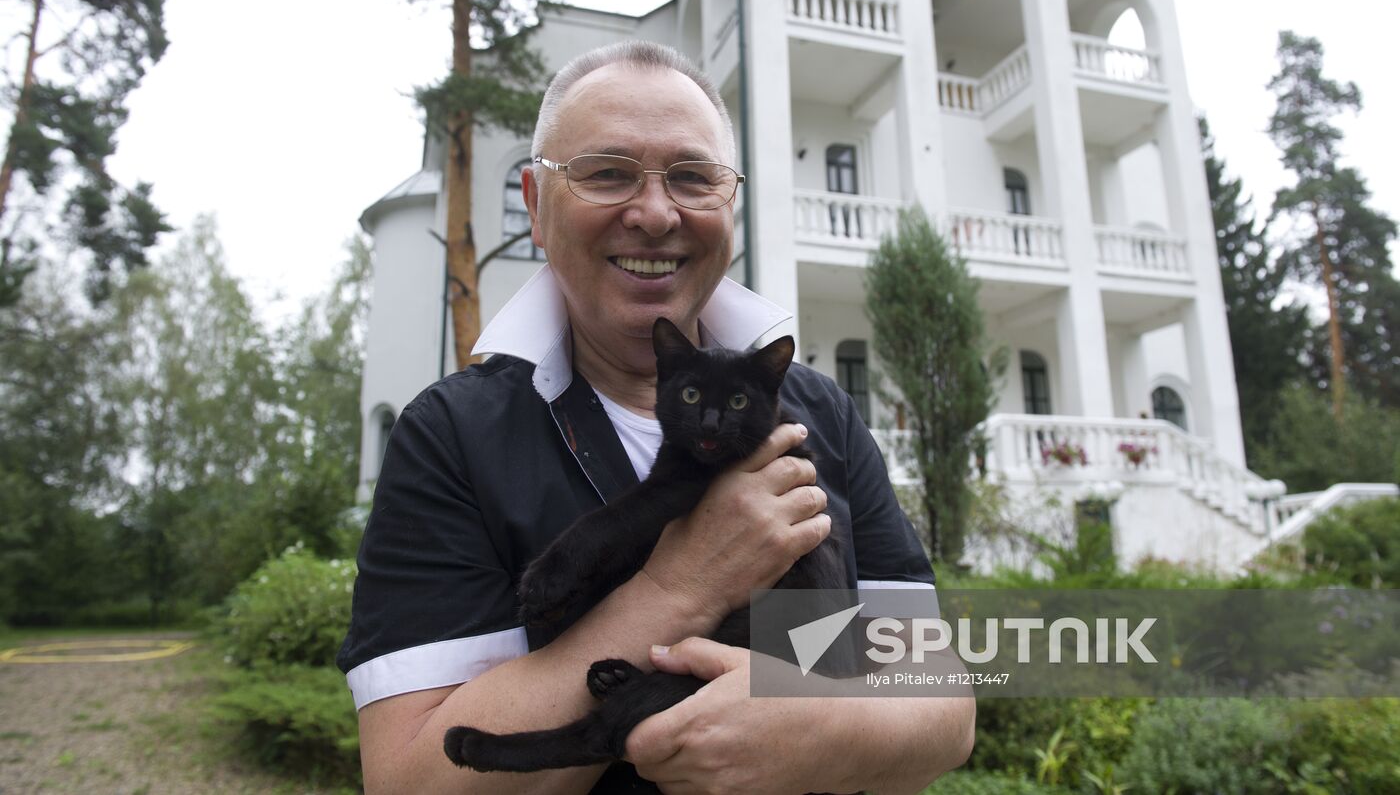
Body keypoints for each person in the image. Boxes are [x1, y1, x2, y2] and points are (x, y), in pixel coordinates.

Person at [338, 41, 975, 794]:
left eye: (692, 177)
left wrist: (819, 724)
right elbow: (412, 779)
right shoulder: (452, 438)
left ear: (728, 203)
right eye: (606, 173)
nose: (654, 211)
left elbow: (945, 709)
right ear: (536, 206)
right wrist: (678, 588)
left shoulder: (821, 412)